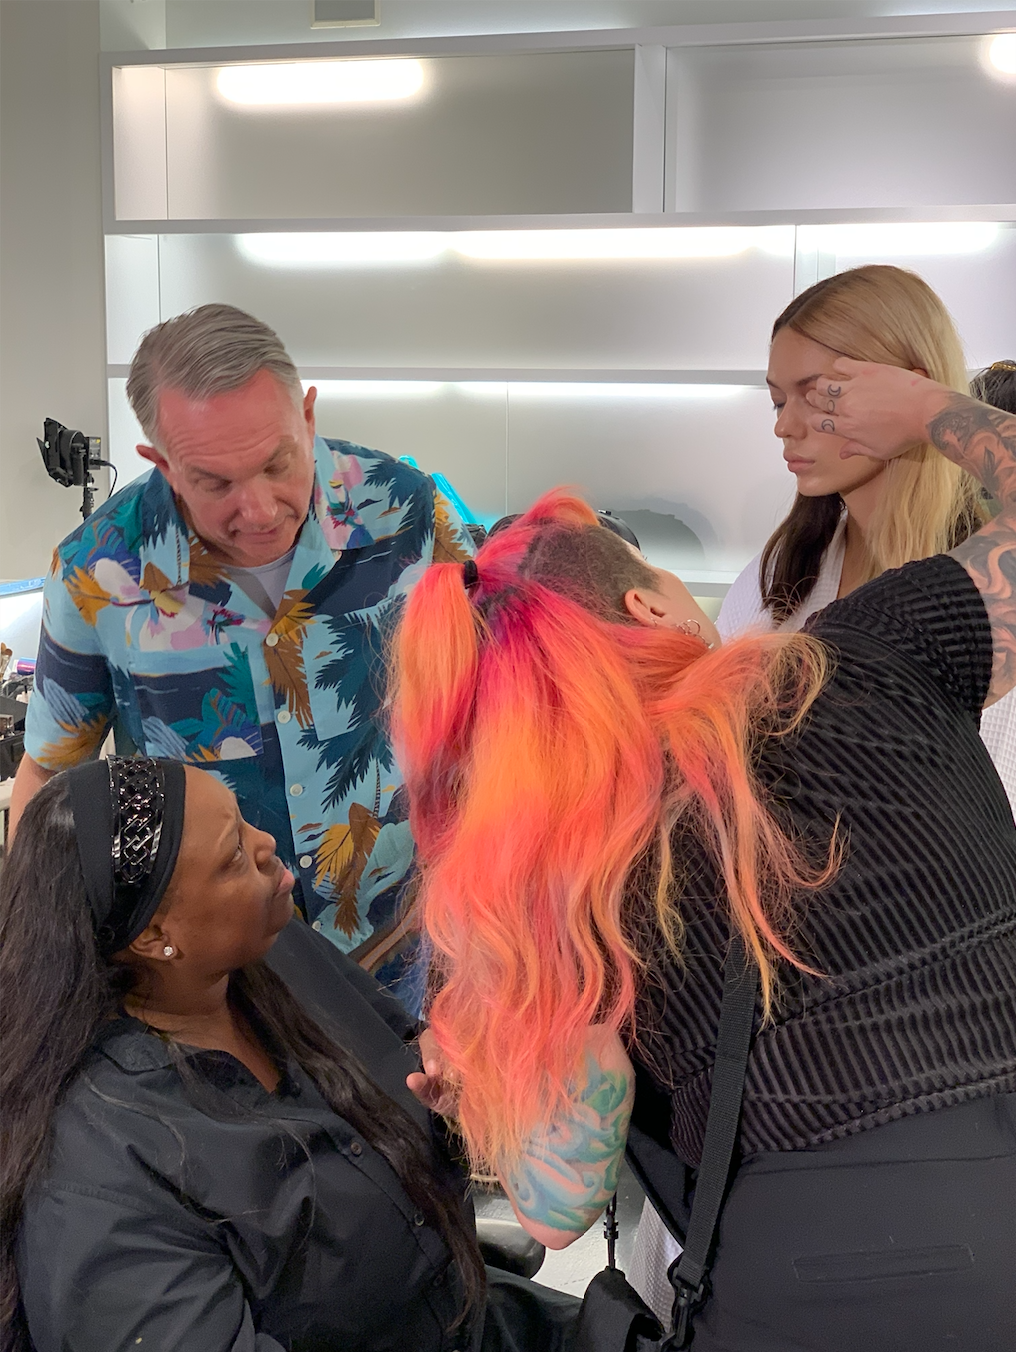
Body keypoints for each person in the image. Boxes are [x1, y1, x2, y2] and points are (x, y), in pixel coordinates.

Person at [388, 363, 1016, 1350]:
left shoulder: (564, 884)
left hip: (790, 1290)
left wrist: (491, 1081)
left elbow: (555, 1207)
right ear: (647, 610)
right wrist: (934, 413)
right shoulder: (863, 656)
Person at [0, 756, 580, 1352]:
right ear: (153, 937)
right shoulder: (101, 1184)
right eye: (232, 857)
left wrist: (447, 1062)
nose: (267, 844)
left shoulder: (271, 952)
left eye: (244, 822)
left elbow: (403, 1049)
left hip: (473, 1313)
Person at [9, 304, 474, 984]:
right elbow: (50, 776)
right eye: (214, 483)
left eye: (278, 463)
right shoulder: (96, 572)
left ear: (307, 415)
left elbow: (494, 682)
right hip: (221, 978)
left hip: (406, 942)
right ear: (160, 463)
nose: (257, 510)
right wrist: (40, 960)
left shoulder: (401, 508)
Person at [715, 265, 1016, 811]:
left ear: (910, 386)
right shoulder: (781, 572)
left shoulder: (989, 583)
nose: (785, 426)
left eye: (822, 395)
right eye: (780, 401)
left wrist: (929, 408)